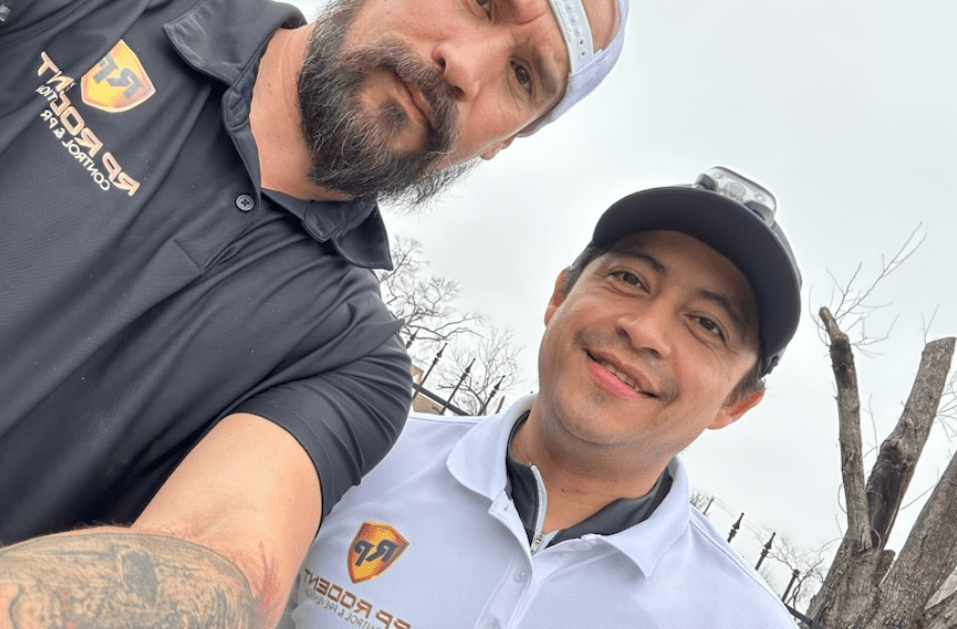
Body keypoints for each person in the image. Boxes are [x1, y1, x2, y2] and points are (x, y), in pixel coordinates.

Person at [0, 0, 626, 625]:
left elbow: (225, 561)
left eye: (523, 75)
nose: (464, 68)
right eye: (480, 2)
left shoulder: (352, 358)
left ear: (506, 140)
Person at [285, 166, 803, 628]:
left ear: (735, 404)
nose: (645, 330)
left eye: (707, 325)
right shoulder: (353, 459)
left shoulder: (744, 619)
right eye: (629, 279)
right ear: (559, 295)